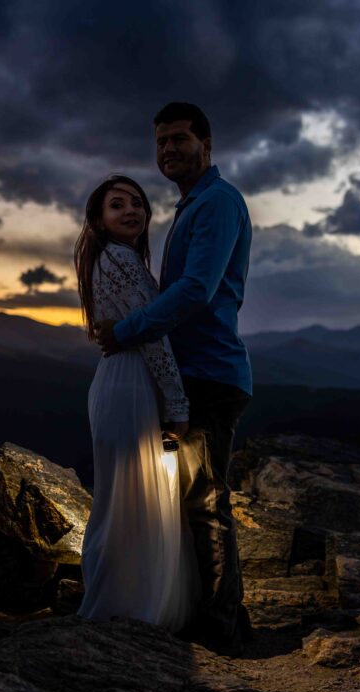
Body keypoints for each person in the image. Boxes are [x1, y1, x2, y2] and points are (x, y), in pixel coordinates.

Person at [96, 102, 253, 653]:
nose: (168, 150)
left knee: (206, 504)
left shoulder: (215, 203)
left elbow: (195, 291)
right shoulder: (195, 206)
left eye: (179, 139)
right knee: (198, 501)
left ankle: (220, 631)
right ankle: (225, 616)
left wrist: (127, 329)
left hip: (210, 373)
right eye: (161, 142)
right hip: (196, 374)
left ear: (206, 145)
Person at [74, 173, 201, 632]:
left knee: (122, 499)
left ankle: (119, 599)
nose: (131, 211)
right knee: (136, 501)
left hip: (116, 383)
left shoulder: (109, 258)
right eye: (117, 205)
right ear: (100, 219)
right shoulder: (122, 260)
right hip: (132, 384)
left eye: (137, 204)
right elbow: (153, 339)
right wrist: (178, 406)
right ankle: (130, 608)